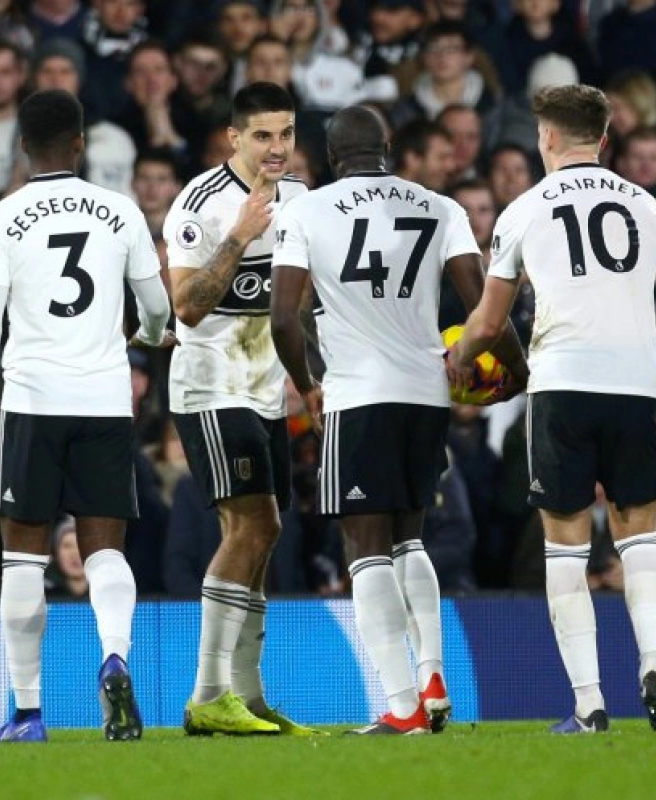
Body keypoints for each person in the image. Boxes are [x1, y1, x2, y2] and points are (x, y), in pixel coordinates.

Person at [270, 104, 528, 734]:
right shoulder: (441, 207)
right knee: (410, 537)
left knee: (364, 548)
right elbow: (482, 303)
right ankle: (434, 673)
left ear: (332, 159)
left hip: (359, 394)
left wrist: (307, 387)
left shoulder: (305, 210)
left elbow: (282, 318)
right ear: (386, 150)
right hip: (427, 392)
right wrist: (517, 372)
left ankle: (402, 703)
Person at [0, 89, 174, 744]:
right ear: (80, 143)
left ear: (22, 147)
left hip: (31, 403)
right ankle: (115, 656)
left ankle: (30, 712)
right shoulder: (120, 212)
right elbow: (157, 311)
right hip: (102, 400)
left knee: (22, 559)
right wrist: (144, 331)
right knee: (104, 551)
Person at [448, 84, 656, 734]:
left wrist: (459, 360)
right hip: (637, 383)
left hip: (563, 384)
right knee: (640, 532)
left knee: (565, 548)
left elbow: (491, 321)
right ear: (605, 138)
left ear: (547, 138)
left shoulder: (523, 210)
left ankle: (589, 703)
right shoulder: (648, 208)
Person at [162, 81, 317, 737]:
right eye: (262, 135)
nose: (276, 148)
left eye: (285, 134)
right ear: (234, 138)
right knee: (250, 526)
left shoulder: (304, 200)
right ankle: (206, 697)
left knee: (268, 528)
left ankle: (248, 699)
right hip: (210, 383)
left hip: (264, 387)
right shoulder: (199, 204)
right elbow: (188, 306)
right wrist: (239, 235)